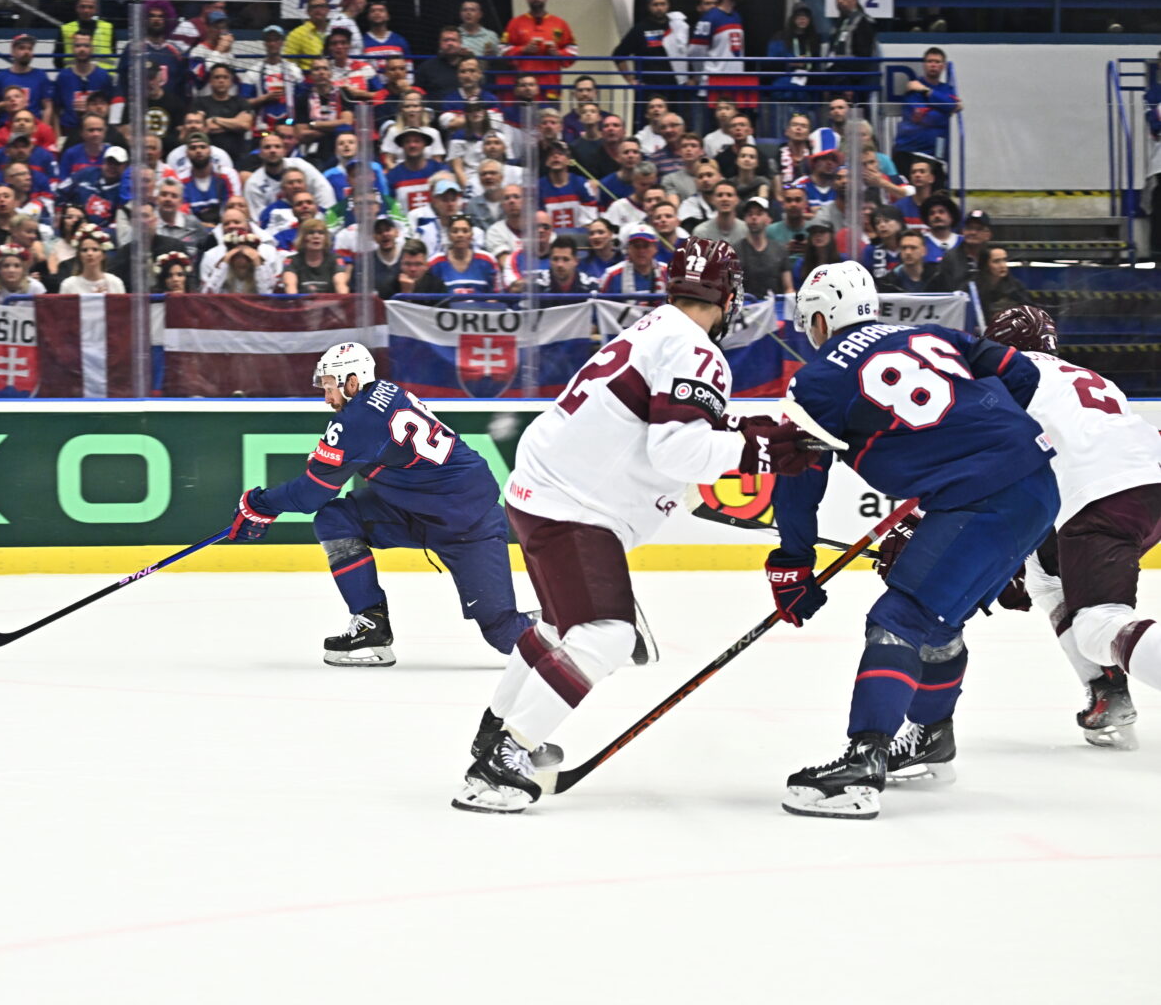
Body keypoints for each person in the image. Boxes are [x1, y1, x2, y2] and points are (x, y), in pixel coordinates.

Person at [452, 240, 817, 812]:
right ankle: (504, 760)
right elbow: (677, 449)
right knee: (607, 634)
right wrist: (758, 453)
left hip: (538, 491)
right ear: (729, 297)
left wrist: (750, 435)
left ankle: (497, 730)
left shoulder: (653, 329)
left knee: (557, 626)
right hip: (574, 507)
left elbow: (672, 427)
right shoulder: (696, 350)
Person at [766, 263, 1059, 820]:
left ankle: (863, 764)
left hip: (982, 498)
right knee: (938, 622)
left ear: (820, 320)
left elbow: (799, 478)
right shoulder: (931, 335)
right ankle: (931, 738)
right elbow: (1019, 371)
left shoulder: (818, 379)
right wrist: (969, 444)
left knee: (898, 619)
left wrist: (793, 562)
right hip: (1037, 485)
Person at [227, 343, 537, 668]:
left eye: (330, 387)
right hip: (418, 508)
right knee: (336, 519)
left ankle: (566, 626)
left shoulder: (357, 421)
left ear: (352, 382)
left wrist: (258, 504)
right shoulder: (383, 392)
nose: (327, 398)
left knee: (504, 634)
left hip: (466, 522)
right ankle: (371, 625)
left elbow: (310, 496)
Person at [965, 306, 1161, 752]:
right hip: (1147, 484)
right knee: (1044, 575)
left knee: (1098, 624)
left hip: (1102, 499)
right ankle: (1106, 692)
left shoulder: (1009, 377)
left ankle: (1107, 682)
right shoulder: (1091, 378)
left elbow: (989, 465)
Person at [893, 48, 961, 187]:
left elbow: (950, 104)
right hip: (909, 150)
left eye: (937, 62)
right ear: (924, 65)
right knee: (907, 193)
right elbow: (922, 116)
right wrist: (946, 111)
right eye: (930, 61)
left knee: (938, 194)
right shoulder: (913, 89)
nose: (933, 65)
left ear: (943, 66)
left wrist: (926, 91)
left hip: (935, 154)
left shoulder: (946, 89)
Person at [612, 0, 678, 126]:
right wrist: (630, 79)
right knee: (645, 126)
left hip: (673, 87)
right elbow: (618, 54)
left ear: (668, 6)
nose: (659, 8)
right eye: (655, 4)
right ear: (649, 6)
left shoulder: (677, 27)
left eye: (662, 4)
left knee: (673, 125)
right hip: (648, 88)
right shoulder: (640, 29)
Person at [690, 0, 755, 112]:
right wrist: (703, 77)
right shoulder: (709, 18)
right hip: (715, 83)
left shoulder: (737, 16)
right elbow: (696, 51)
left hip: (735, 82)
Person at [502, 0, 578, 98]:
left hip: (551, 84)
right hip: (524, 86)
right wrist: (523, 49)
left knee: (550, 110)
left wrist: (558, 54)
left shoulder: (560, 23)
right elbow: (503, 50)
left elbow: (573, 50)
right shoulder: (515, 23)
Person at [824, 0, 878, 101]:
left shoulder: (863, 22)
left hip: (852, 85)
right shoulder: (839, 23)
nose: (840, 1)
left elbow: (864, 58)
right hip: (835, 80)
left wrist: (851, 84)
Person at [735, 198, 791, 298]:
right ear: (745, 219)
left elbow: (788, 288)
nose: (754, 217)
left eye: (759, 213)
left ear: (768, 219)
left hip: (774, 305)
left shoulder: (780, 250)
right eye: (750, 214)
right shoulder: (734, 251)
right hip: (745, 305)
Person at [599, 222, 670, 292]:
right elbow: (599, 299)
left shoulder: (668, 272)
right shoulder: (612, 275)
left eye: (646, 246)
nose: (641, 251)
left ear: (655, 248)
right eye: (636, 246)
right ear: (628, 249)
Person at [939, 207, 993, 289]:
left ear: (988, 235)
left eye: (979, 229)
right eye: (969, 228)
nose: (973, 232)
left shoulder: (991, 258)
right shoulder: (950, 258)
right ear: (963, 231)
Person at [59, 228, 125, 293]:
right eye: (84, 250)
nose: (89, 253)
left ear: (103, 255)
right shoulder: (68, 285)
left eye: (95, 249)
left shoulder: (115, 283)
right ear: (79, 255)